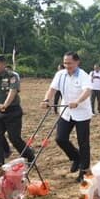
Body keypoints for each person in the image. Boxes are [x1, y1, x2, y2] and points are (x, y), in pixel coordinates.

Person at [41, 52, 92, 183]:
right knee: (60, 138)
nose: (67, 65)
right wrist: (46, 99)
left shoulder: (83, 75)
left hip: (81, 113)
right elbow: (52, 89)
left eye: (69, 63)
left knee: (83, 142)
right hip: (66, 111)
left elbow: (87, 91)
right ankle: (76, 157)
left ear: (77, 62)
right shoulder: (60, 74)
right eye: (65, 63)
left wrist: (77, 101)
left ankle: (84, 171)